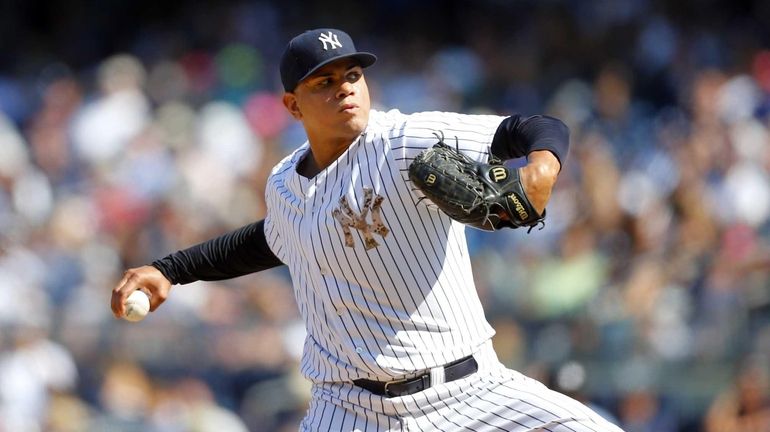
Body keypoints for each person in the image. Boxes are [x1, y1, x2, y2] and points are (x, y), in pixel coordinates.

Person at [111, 28, 624, 431]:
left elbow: (535, 128)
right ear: (293, 105)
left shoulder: (402, 140)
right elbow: (268, 240)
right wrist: (169, 270)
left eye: (352, 75)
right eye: (325, 82)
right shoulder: (285, 184)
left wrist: (542, 169)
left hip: (471, 393)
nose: (345, 90)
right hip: (348, 411)